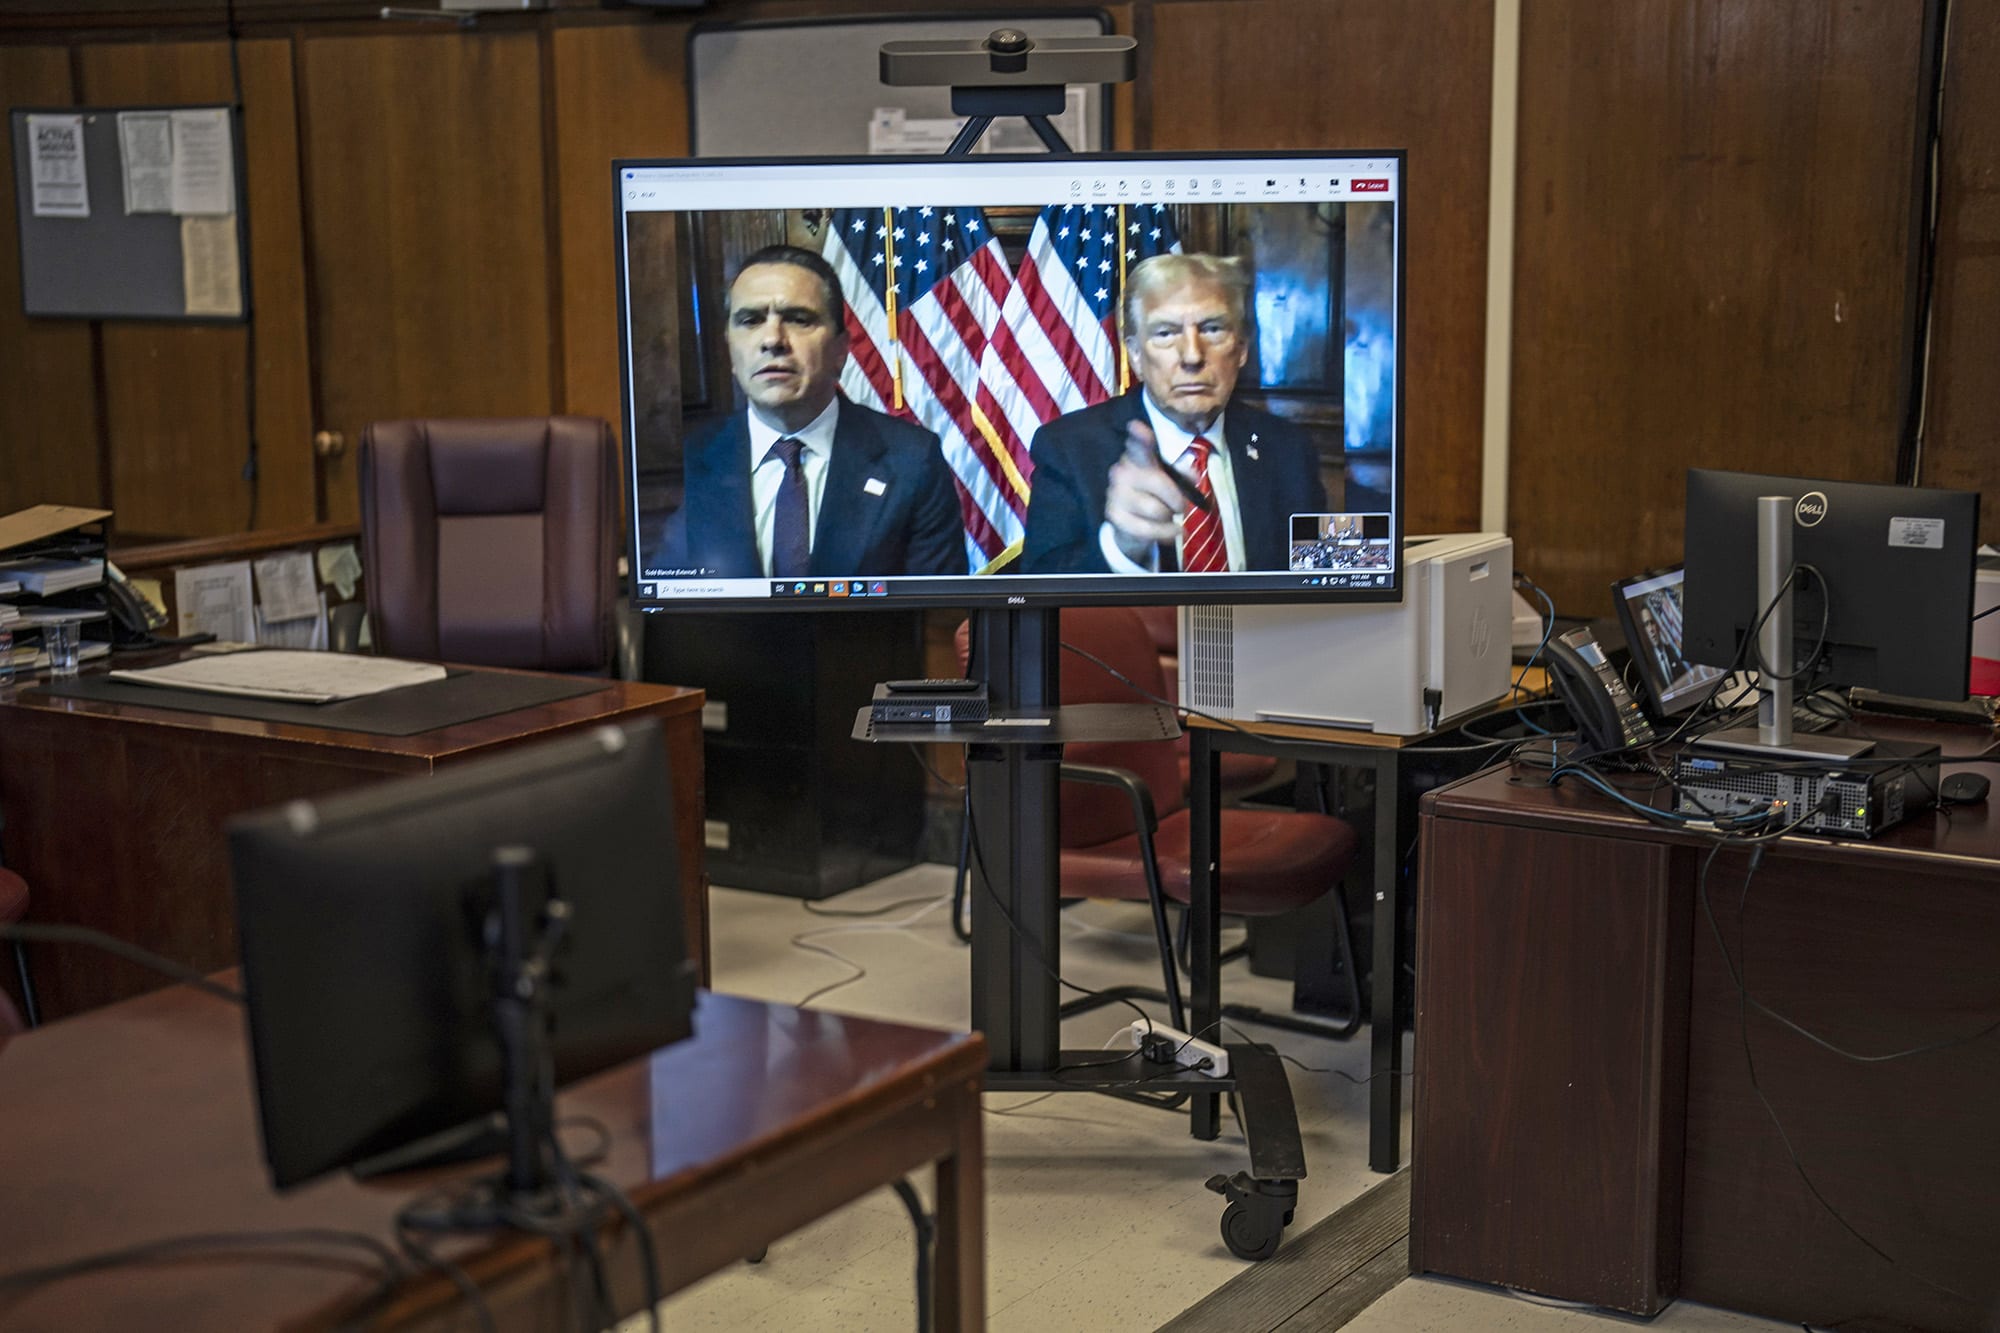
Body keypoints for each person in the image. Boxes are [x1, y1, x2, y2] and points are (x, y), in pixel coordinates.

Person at [646, 245, 966, 579]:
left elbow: (935, 620)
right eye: (750, 320)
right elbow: (669, 613)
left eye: (799, 320)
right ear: (729, 349)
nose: (772, 340)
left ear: (841, 350)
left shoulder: (913, 461)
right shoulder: (691, 461)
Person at [1019, 253, 1326, 574]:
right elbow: (1042, 589)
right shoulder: (1068, 448)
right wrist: (1122, 548)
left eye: (1212, 329)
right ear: (1136, 355)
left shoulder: (1289, 447)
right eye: (1165, 333)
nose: (1192, 356)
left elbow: (1318, 580)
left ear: (1241, 349)